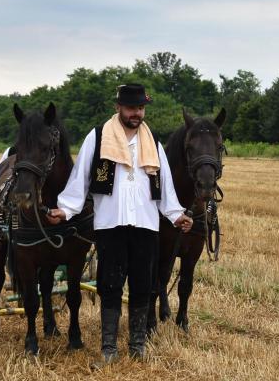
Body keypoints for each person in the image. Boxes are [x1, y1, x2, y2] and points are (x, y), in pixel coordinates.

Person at [47, 84, 193, 365]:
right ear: (118, 108)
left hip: (145, 225)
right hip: (110, 224)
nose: (136, 113)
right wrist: (66, 209)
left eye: (140, 108)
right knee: (110, 285)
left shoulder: (154, 143)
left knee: (143, 285)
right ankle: (109, 349)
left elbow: (166, 187)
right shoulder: (99, 136)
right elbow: (81, 178)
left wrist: (176, 214)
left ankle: (137, 346)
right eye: (130, 108)